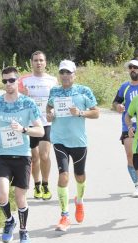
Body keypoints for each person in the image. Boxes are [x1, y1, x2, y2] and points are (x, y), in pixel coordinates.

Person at [0, 66, 44, 243]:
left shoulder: (28, 103)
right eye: (5, 81)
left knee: (20, 197)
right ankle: (9, 220)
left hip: (22, 156)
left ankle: (24, 231)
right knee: (2, 194)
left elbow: (40, 131)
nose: (8, 84)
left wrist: (23, 129)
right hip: (3, 154)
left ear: (18, 81)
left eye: (11, 80)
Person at [46, 60, 100, 232]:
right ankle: (64, 215)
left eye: (68, 72)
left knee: (80, 176)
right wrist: (50, 114)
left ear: (74, 74)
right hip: (59, 139)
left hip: (78, 142)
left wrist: (80, 113)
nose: (65, 75)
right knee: (63, 175)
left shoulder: (84, 91)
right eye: (62, 72)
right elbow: (49, 108)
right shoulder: (54, 90)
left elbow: (96, 112)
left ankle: (79, 201)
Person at [19, 50, 58, 200]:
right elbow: (17, 100)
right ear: (31, 62)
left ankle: (46, 184)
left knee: (45, 155)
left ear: (45, 62)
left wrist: (53, 112)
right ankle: (36, 185)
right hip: (29, 124)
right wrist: (24, 96)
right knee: (34, 157)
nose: (38, 63)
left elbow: (56, 101)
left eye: (41, 60)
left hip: (46, 122)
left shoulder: (53, 80)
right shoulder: (24, 80)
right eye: (35, 60)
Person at [112, 59, 138, 197]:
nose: (132, 69)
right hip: (128, 126)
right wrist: (118, 106)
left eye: (136, 67)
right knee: (130, 155)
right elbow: (115, 101)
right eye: (130, 67)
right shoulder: (124, 87)